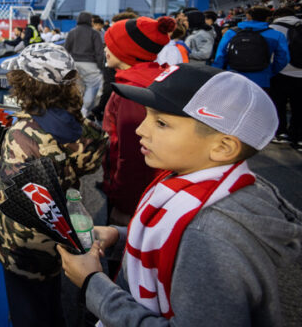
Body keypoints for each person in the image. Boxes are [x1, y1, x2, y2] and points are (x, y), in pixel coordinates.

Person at [57, 64, 302, 326]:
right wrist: (119, 237)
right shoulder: (197, 181)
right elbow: (170, 239)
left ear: (222, 147)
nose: (141, 129)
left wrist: (93, 285)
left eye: (161, 123)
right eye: (147, 116)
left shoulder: (209, 237)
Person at [0, 43, 107, 327]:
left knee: (28, 312)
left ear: (25, 85)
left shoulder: (22, 135)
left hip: (25, 245)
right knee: (49, 302)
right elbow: (90, 163)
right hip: (61, 236)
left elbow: (7, 195)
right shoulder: (87, 128)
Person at [101, 16, 174, 226]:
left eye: (110, 44)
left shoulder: (132, 91)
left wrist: (125, 206)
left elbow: (133, 155)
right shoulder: (152, 78)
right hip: (151, 191)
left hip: (135, 198)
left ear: (126, 51)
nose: (105, 49)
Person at [212, 5, 289, 91]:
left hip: (234, 77)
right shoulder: (277, 35)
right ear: (268, 18)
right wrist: (270, 72)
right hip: (262, 79)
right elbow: (283, 59)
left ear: (248, 16)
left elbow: (220, 56)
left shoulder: (231, 32)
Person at [269, 7, 302, 151]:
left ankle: (281, 133)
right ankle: (299, 138)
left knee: (279, 104)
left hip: (281, 73)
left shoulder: (273, 28)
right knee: (299, 107)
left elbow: (270, 53)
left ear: (277, 16)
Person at [65, 11, 105, 116]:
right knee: (92, 86)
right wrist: (100, 67)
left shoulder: (72, 32)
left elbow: (65, 50)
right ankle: (84, 110)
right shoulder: (94, 33)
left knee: (77, 86)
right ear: (89, 21)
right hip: (90, 64)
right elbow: (99, 52)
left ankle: (73, 108)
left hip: (74, 63)